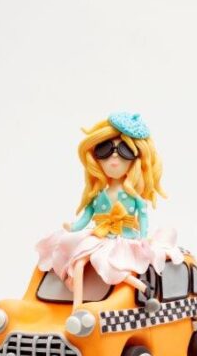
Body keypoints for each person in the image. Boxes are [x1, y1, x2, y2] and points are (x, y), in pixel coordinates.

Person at [36, 112, 183, 334]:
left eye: (124, 151)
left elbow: (143, 216)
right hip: (100, 236)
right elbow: (86, 217)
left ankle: (143, 287)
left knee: (112, 265)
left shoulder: (133, 196)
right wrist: (73, 228)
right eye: (104, 150)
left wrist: (144, 237)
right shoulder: (98, 195)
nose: (114, 157)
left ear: (137, 160)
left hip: (124, 239)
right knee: (78, 262)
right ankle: (78, 308)